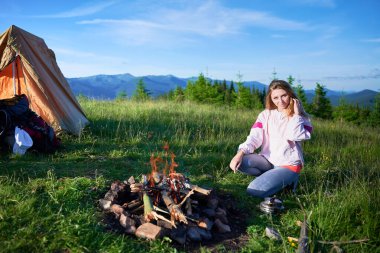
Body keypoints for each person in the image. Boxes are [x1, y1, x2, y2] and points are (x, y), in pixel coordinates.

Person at [229, 80, 313, 198]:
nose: (280, 101)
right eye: (276, 98)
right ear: (271, 99)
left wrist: (296, 114)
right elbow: (254, 137)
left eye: (284, 95)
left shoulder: (301, 118)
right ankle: (273, 178)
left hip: (288, 165)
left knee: (254, 191)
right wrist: (240, 153)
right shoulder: (266, 115)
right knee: (242, 161)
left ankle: (289, 181)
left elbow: (294, 135)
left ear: (291, 95)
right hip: (268, 161)